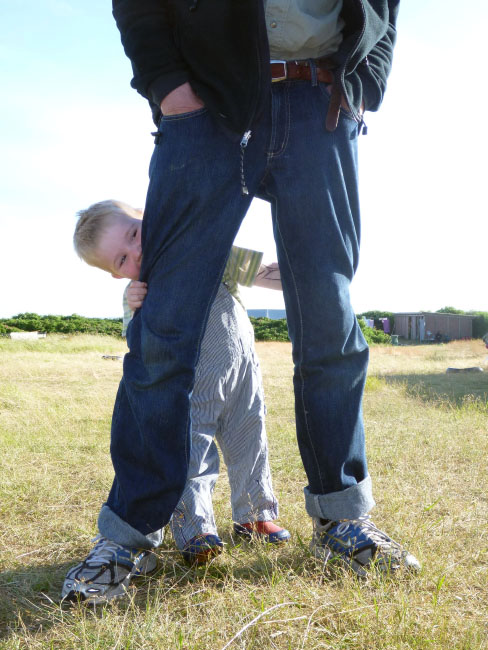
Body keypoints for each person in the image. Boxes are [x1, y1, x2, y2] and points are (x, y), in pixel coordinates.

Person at [63, 0, 420, 601]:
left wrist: (366, 80)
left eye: (129, 242)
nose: (132, 252)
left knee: (330, 323)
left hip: (323, 101)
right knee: (163, 331)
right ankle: (129, 535)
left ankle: (342, 517)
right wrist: (168, 85)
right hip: (207, 106)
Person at [62, 200, 290, 600]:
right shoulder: (139, 292)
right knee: (192, 447)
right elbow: (138, 341)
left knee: (251, 438)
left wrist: (302, 272)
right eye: (123, 258)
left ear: (144, 216)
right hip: (195, 379)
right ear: (117, 273)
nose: (138, 253)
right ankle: (195, 527)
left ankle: (254, 515)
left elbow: (257, 271)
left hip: (242, 369)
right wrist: (135, 307)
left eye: (135, 235)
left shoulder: (201, 247)